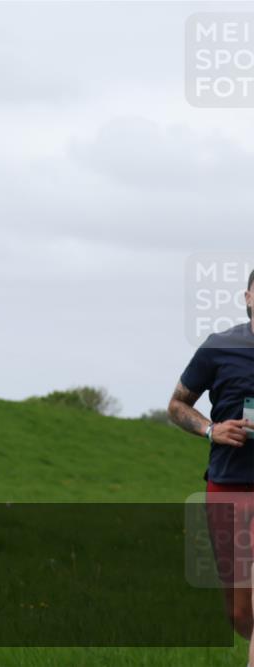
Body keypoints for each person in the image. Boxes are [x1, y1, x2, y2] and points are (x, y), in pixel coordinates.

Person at [168, 268, 254, 651]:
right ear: (248, 297)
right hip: (228, 484)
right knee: (239, 613)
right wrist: (210, 430)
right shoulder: (219, 347)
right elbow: (176, 405)